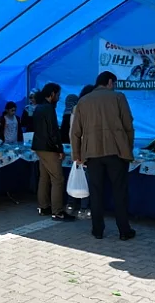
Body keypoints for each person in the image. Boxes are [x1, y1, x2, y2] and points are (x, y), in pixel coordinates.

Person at [71, 71, 135, 240]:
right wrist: (128, 148)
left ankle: (97, 230)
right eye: (113, 83)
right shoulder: (118, 98)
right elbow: (128, 125)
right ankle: (124, 231)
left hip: (92, 153)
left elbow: (75, 132)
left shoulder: (83, 101)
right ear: (108, 82)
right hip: (116, 151)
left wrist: (77, 154)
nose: (113, 86)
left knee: (96, 192)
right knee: (119, 192)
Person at [32, 83, 75, 221]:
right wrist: (59, 149)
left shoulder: (38, 107)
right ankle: (58, 211)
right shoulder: (49, 108)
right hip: (49, 148)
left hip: (39, 147)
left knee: (44, 178)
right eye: (57, 95)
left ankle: (43, 207)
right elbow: (53, 131)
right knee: (57, 179)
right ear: (52, 94)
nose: (58, 97)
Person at [66, 85, 96, 214]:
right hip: (86, 148)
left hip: (78, 146)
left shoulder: (76, 109)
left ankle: (71, 205)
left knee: (78, 176)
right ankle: (84, 207)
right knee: (86, 178)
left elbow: (72, 131)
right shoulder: (87, 109)